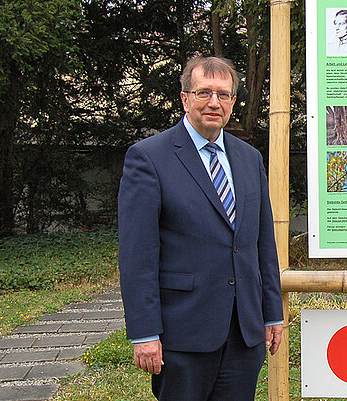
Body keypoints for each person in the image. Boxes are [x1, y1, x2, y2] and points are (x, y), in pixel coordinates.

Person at [118, 56, 283, 400]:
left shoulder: (249, 158)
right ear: (184, 98)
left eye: (223, 95)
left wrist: (271, 314)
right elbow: (138, 255)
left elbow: (262, 244)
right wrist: (144, 332)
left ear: (233, 102)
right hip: (183, 335)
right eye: (203, 93)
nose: (213, 103)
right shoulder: (149, 157)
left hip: (243, 334)